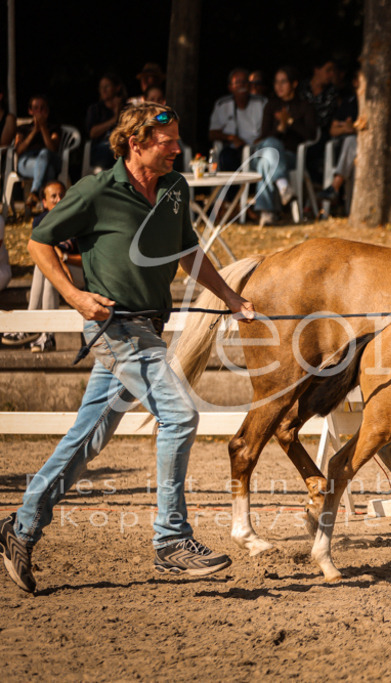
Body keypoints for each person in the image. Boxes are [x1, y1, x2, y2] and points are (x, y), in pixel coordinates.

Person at [0, 103, 255, 594]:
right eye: (167, 143)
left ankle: (21, 526)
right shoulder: (97, 190)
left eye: (177, 140)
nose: (178, 149)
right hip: (115, 327)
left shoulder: (175, 189)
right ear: (136, 144)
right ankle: (171, 540)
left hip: (149, 328)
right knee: (180, 414)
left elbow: (187, 252)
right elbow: (38, 241)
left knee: (87, 439)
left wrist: (230, 297)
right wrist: (74, 295)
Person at [0, 181, 68, 352]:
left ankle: (40, 330)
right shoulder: (40, 221)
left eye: (62, 195)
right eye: (53, 196)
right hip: (56, 270)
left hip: (75, 269)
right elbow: (40, 252)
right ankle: (43, 332)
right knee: (46, 267)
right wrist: (56, 257)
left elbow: (82, 256)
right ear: (44, 202)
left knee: (50, 268)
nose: (58, 200)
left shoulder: (76, 219)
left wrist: (62, 257)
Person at [252, 67, 317, 225]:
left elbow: (312, 135)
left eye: (283, 82)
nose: (278, 86)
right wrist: (280, 129)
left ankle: (267, 213)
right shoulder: (271, 105)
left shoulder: (304, 106)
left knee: (265, 163)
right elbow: (264, 135)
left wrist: (290, 122)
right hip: (267, 151)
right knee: (271, 145)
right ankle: (283, 185)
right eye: (276, 82)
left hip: (291, 157)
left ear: (294, 84)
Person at [319, 70, 363, 213]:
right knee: (350, 143)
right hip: (343, 149)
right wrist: (347, 129)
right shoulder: (348, 102)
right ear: (355, 81)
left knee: (352, 144)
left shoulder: (373, 105)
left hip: (364, 150)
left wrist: (354, 130)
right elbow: (332, 130)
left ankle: (335, 185)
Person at [208, 68, 268, 173]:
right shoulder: (222, 104)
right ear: (230, 87)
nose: (242, 85)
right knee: (225, 156)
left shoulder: (261, 102)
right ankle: (234, 189)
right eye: (237, 82)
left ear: (249, 85)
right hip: (234, 150)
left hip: (257, 149)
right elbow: (212, 134)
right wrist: (231, 137)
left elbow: (270, 128)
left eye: (245, 82)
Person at [13, 95, 61, 211]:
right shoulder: (23, 128)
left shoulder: (53, 128)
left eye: (42, 108)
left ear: (47, 111)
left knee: (44, 153)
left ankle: (34, 192)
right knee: (47, 171)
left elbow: (52, 148)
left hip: (49, 158)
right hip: (27, 161)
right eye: (35, 108)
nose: (39, 111)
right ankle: (48, 211)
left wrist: (43, 128)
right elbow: (19, 150)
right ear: (30, 111)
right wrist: (34, 130)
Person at [84, 73, 126, 172]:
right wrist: (114, 119)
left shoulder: (126, 108)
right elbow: (92, 133)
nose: (103, 90)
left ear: (117, 88)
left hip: (122, 145)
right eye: (101, 87)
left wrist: (119, 111)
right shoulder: (95, 109)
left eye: (107, 86)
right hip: (101, 149)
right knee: (114, 149)